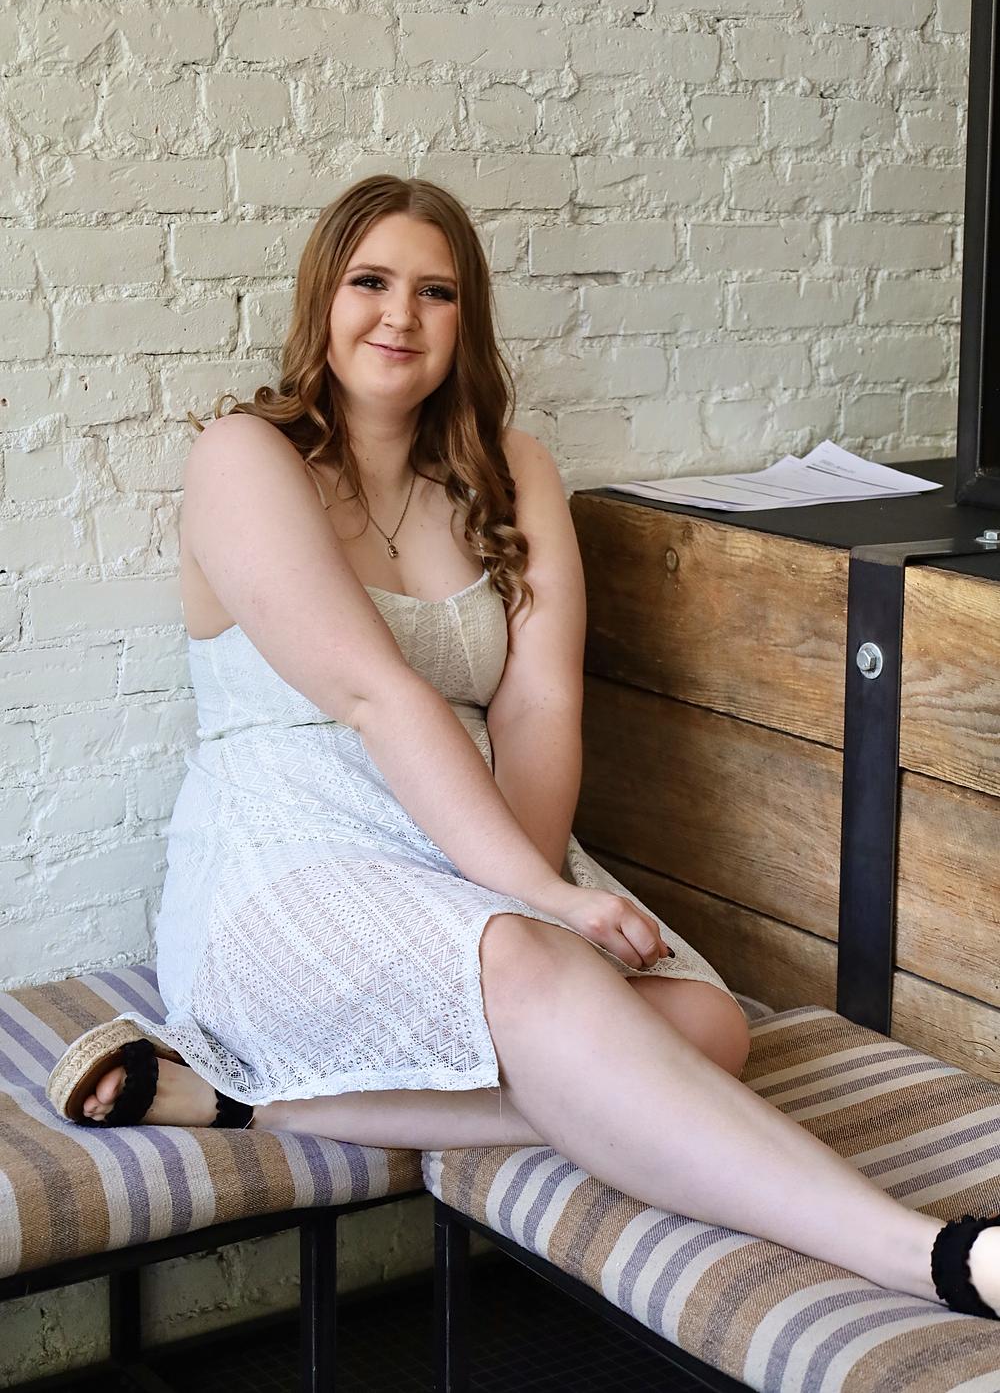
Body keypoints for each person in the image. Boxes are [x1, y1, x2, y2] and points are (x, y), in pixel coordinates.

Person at [45, 174, 1000, 1321]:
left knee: (705, 1028)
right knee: (548, 983)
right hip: (287, 844)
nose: (400, 316)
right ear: (321, 300)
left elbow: (541, 707)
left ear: (468, 319)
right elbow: (375, 694)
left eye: (435, 292)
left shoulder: (513, 471)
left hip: (479, 826)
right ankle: (933, 1255)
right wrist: (529, 901)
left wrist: (530, 878)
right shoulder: (244, 456)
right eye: (370, 282)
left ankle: (255, 1103)